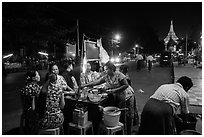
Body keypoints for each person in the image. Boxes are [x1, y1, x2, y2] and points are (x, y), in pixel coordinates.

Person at [81, 61, 139, 135]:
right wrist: (84, 85)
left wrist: (113, 90)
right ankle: (120, 132)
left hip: (127, 96)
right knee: (119, 115)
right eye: (104, 69)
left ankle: (128, 132)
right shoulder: (107, 76)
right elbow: (96, 82)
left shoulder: (119, 75)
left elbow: (126, 85)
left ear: (112, 69)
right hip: (119, 96)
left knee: (127, 116)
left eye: (106, 69)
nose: (105, 71)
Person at [20, 70, 41, 134]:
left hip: (26, 114)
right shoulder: (36, 88)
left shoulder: (24, 88)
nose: (39, 76)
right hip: (34, 115)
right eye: (38, 75)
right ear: (34, 78)